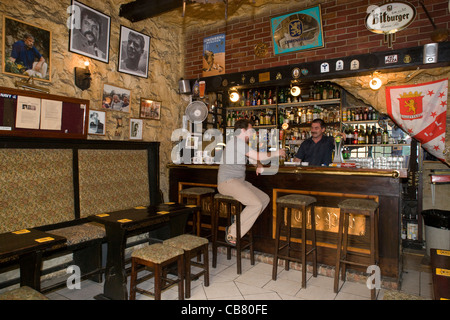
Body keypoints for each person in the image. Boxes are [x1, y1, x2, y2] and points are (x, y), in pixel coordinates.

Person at [217, 119, 285, 245]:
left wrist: (257, 165)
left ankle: (238, 220)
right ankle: (232, 232)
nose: (253, 133)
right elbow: (259, 155)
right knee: (256, 204)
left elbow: (254, 158)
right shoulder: (236, 142)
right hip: (227, 183)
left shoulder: (241, 144)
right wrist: (277, 153)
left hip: (238, 182)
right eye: (251, 130)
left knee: (264, 199)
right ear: (243, 130)